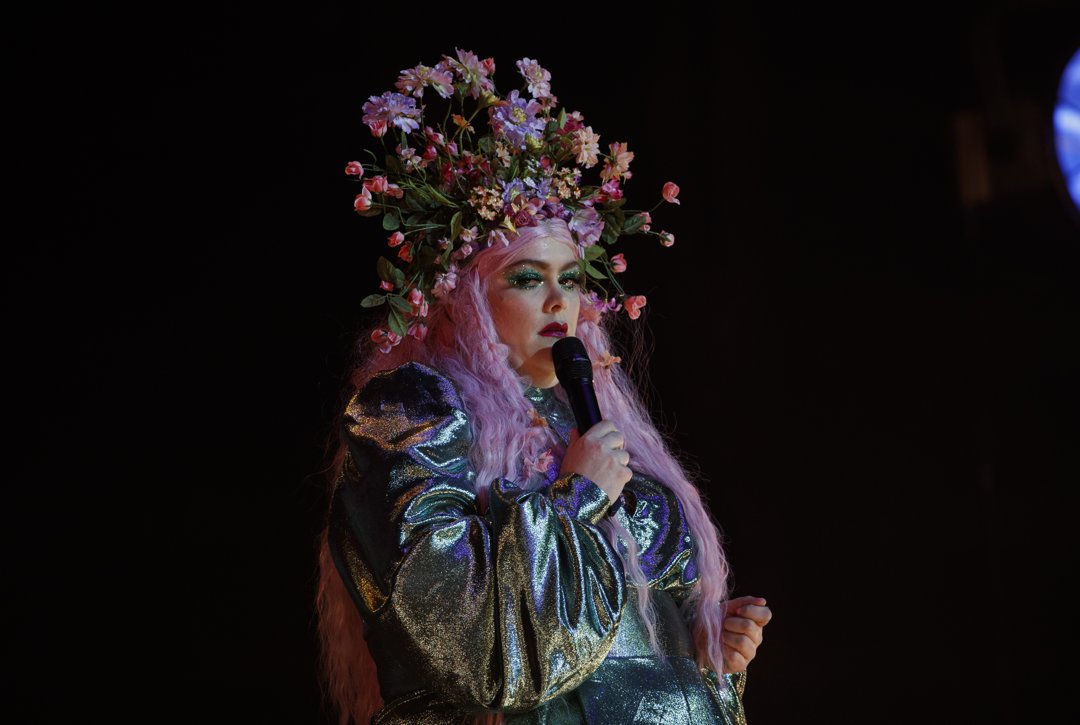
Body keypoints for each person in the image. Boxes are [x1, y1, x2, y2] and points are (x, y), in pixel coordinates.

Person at [315, 49, 772, 724]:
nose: (561, 301)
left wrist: (707, 648)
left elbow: (642, 633)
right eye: (528, 278)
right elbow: (463, 640)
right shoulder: (414, 411)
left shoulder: (590, 426)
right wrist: (577, 496)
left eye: (571, 279)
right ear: (465, 299)